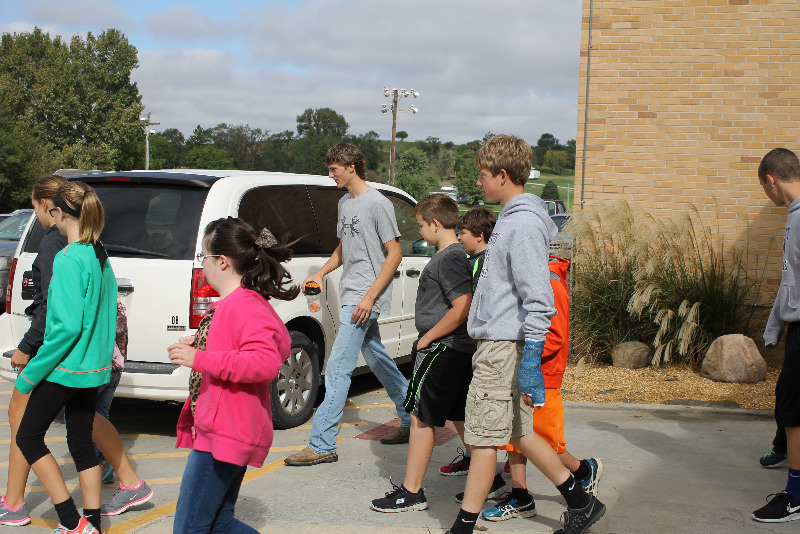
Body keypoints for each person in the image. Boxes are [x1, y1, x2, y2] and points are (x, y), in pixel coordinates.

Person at [445, 135, 605, 534]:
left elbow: (540, 299)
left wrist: (532, 355)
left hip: (502, 348)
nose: (478, 184)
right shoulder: (512, 220)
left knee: (482, 439)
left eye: (483, 176)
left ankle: (462, 527)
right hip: (500, 344)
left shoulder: (522, 225)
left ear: (502, 175)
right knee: (520, 432)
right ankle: (581, 501)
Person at [168, 217, 298, 532]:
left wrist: (201, 358)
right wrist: (200, 342)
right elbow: (242, 346)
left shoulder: (244, 305)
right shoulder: (237, 303)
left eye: (204, 257)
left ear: (223, 262)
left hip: (226, 432)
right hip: (225, 429)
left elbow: (264, 363)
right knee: (218, 523)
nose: (203, 265)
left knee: (190, 528)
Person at [284, 143, 411, 467]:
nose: (331, 175)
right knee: (376, 357)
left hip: (365, 296)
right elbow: (344, 247)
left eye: (334, 169)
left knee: (338, 366)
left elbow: (394, 253)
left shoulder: (377, 204)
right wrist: (321, 272)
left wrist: (369, 297)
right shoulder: (344, 203)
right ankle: (413, 416)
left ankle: (322, 443)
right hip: (352, 289)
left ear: (352, 166)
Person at [14, 181, 117, 534]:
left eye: (52, 214)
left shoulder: (68, 258)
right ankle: (92, 523)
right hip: (92, 369)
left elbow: (65, 327)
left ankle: (72, 524)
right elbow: (105, 317)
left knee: (27, 438)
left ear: (58, 213)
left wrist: (32, 372)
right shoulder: (99, 254)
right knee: (79, 442)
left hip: (64, 368)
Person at [370, 194, 475, 512]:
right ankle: (486, 475)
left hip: (442, 349)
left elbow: (462, 307)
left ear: (435, 223)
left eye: (420, 226)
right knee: (458, 414)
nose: (419, 232)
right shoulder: (452, 255)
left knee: (420, 416)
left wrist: (426, 337)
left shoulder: (449, 258)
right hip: (453, 348)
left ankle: (412, 491)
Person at [481, 255, 604, 521]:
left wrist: (520, 354)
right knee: (518, 437)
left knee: (544, 443)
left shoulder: (550, 282)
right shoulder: (532, 277)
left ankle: (583, 470)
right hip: (525, 372)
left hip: (543, 376)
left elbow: (555, 337)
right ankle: (520, 495)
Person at [0, 174, 68, 527]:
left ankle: (13, 503)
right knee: (84, 413)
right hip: (81, 348)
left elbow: (49, 304)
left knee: (20, 418)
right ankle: (132, 481)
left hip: (51, 344)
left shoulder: (52, 242)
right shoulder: (85, 239)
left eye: (34, 206)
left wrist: (27, 347)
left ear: (45, 205)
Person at [753, 147, 800, 523]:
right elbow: (790, 280)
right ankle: (784, 449)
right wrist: (775, 325)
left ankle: (795, 495)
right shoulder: (793, 215)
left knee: (793, 409)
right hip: (795, 325)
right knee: (788, 399)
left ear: (771, 180)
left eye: (764, 189)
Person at [438, 208, 498, 480]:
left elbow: (473, 303)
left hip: (479, 345)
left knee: (477, 410)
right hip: (473, 344)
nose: (459, 238)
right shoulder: (476, 259)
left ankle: (490, 468)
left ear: (480, 235)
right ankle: (480, 460)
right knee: (464, 408)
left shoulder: (483, 263)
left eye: (462, 233)